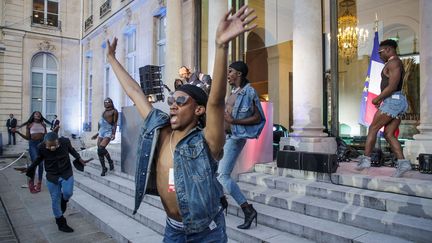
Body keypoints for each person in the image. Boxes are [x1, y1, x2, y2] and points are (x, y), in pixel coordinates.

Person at [106, 5, 256, 242]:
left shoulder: (206, 140)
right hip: (173, 229)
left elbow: (216, 102)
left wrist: (221, 46)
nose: (173, 105)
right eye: (171, 101)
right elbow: (135, 92)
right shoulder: (161, 129)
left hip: (207, 232)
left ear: (198, 109)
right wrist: (112, 59)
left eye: (181, 101)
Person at [217, 61, 265, 229]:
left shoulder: (249, 92)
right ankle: (221, 201)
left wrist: (234, 120)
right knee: (215, 171)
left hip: (236, 137)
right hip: (225, 136)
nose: (228, 74)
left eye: (230, 71)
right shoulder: (234, 91)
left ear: (239, 73)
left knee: (222, 175)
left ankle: (248, 210)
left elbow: (258, 117)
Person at [356, 39, 411, 177]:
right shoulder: (393, 63)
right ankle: (403, 163)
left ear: (388, 49)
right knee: (389, 134)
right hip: (396, 101)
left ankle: (366, 159)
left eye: (380, 52)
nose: (379, 55)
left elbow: (392, 86)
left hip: (393, 100)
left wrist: (377, 98)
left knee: (373, 128)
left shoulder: (393, 62)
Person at [21, 132, 87, 233]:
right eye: (49, 146)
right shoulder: (41, 147)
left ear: (58, 142)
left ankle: (64, 201)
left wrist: (79, 158)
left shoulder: (65, 142)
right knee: (55, 199)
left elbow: (72, 150)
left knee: (68, 193)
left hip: (66, 173)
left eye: (54, 145)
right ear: (45, 143)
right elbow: (38, 159)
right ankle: (61, 222)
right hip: (52, 176)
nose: (52, 148)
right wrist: (30, 168)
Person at [14, 111, 51, 193]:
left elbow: (46, 136)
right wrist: (18, 132)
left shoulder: (43, 125)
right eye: (36, 114)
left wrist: (48, 145)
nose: (37, 115)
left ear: (40, 116)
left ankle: (39, 183)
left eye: (39, 114)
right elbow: (27, 137)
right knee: (35, 164)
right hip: (33, 145)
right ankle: (31, 184)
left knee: (41, 165)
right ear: (33, 116)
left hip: (42, 145)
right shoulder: (29, 125)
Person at [91, 97, 118, 176]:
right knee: (99, 151)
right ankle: (104, 168)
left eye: (108, 102)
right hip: (101, 132)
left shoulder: (114, 111)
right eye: (105, 102)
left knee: (101, 148)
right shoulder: (104, 112)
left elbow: (115, 123)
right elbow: (100, 123)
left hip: (108, 131)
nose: (106, 103)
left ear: (111, 102)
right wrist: (97, 134)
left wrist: (113, 133)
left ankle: (110, 161)